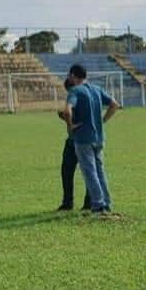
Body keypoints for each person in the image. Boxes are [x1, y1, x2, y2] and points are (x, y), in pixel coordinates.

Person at [63, 64, 121, 214]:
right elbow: (114, 105)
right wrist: (103, 120)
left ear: (73, 76)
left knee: (90, 172)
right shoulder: (96, 89)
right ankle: (106, 203)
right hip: (99, 137)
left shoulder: (75, 91)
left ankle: (98, 205)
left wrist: (71, 127)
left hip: (83, 139)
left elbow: (67, 111)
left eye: (70, 75)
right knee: (100, 171)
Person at [57, 78, 91, 212]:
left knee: (69, 171)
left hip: (79, 140)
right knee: (87, 172)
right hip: (77, 140)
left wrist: (70, 123)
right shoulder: (86, 95)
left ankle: (69, 203)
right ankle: (85, 203)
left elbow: (68, 112)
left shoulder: (77, 96)